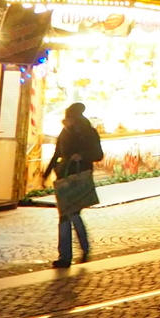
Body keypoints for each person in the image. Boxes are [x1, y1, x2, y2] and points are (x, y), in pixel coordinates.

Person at [43, 102, 103, 267]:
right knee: (66, 215)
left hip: (79, 177)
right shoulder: (65, 132)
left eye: (70, 118)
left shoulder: (88, 132)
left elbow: (98, 154)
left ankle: (76, 251)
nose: (67, 122)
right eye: (66, 119)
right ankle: (68, 255)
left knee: (71, 215)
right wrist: (47, 173)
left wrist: (81, 155)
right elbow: (57, 153)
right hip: (64, 177)